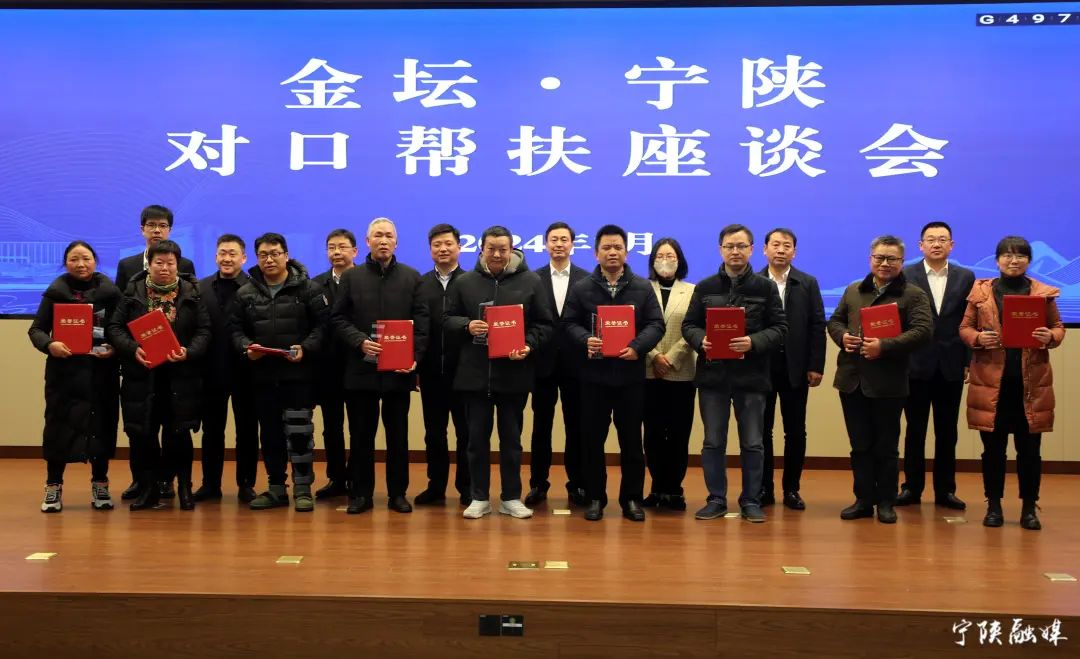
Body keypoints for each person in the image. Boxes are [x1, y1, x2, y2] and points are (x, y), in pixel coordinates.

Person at [446, 226, 553, 520]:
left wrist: (528, 345)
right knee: (476, 442)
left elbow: (544, 324)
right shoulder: (464, 282)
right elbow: (446, 319)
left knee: (512, 442)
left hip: (513, 375)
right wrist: (466, 326)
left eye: (502, 249)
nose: (496, 254)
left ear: (511, 250)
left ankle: (511, 497)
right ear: (481, 249)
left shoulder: (531, 282)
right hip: (475, 376)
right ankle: (479, 497)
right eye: (491, 248)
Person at [682, 225, 786, 524]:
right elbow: (689, 325)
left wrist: (754, 342)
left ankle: (751, 500)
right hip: (713, 377)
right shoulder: (705, 286)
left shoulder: (765, 288)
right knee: (713, 442)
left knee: (753, 443)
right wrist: (700, 340)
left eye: (741, 246)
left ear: (752, 249)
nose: (735, 251)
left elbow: (780, 328)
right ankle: (716, 499)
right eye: (729, 246)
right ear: (721, 250)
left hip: (751, 377)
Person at [959, 236, 1065, 531]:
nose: (1013, 260)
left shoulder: (1042, 293)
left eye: (1020, 255)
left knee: (1030, 451)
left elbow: (1057, 327)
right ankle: (993, 506)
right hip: (992, 384)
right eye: (1007, 255)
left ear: (1029, 260)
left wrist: (1051, 337)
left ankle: (1029, 508)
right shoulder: (981, 291)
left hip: (1031, 385)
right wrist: (978, 338)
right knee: (993, 451)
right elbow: (965, 328)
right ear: (997, 261)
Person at [827, 235, 932, 524]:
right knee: (860, 445)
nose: (885, 263)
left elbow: (923, 331)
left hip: (890, 382)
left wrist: (884, 347)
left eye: (892, 259)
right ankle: (863, 500)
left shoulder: (913, 294)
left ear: (901, 262)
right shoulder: (853, 290)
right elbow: (835, 321)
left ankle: (886, 501)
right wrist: (842, 337)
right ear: (870, 259)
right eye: (879, 258)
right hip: (852, 380)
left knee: (886, 447)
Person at [563, 224, 665, 522]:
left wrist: (637, 347)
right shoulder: (582, 287)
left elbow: (656, 324)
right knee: (592, 441)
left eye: (618, 247)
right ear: (596, 253)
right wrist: (586, 339)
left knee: (631, 442)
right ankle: (595, 497)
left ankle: (631, 499)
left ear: (626, 252)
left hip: (630, 377)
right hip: (593, 377)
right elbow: (568, 323)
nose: (612, 252)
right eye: (606, 247)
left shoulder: (642, 287)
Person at [331, 218, 428, 515]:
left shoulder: (412, 277)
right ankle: (361, 494)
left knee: (398, 437)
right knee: (361, 436)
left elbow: (422, 322)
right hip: (361, 370)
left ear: (396, 242)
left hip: (399, 372)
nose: (383, 240)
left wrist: (414, 357)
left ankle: (397, 494)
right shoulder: (351, 277)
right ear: (367, 242)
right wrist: (359, 341)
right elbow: (337, 318)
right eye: (377, 236)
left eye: (388, 236)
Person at [107, 240, 210, 511]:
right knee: (145, 436)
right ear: (149, 264)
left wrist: (189, 352)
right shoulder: (133, 291)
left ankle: (184, 487)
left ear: (178, 265)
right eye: (159, 263)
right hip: (143, 377)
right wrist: (133, 349)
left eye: (170, 263)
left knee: (179, 435)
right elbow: (115, 328)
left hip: (180, 377)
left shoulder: (192, 292)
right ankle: (149, 490)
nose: (164, 268)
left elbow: (204, 331)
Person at [230, 233, 328, 512]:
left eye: (275, 254)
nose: (269, 259)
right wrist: (246, 347)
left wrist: (306, 347)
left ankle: (303, 489)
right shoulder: (245, 293)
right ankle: (276, 488)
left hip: (298, 376)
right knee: (270, 435)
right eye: (263, 255)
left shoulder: (308, 289)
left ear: (286, 255)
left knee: (300, 432)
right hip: (263, 377)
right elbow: (235, 330)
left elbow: (323, 327)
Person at [29, 241, 123, 512]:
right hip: (64, 375)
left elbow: (120, 330)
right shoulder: (55, 293)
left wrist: (114, 348)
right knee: (58, 428)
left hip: (101, 373)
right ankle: (53, 486)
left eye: (86, 258)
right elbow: (36, 330)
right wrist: (50, 345)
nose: (81, 264)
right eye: (74, 259)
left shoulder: (111, 294)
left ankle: (100, 484)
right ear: (65, 263)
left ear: (95, 261)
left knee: (102, 426)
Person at [114, 204, 196, 501]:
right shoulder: (127, 266)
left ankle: (167, 481)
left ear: (170, 230)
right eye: (151, 225)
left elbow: (191, 311)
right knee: (141, 429)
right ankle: (141, 481)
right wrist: (131, 348)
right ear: (142, 229)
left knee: (174, 428)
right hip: (141, 363)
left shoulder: (184, 264)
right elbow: (121, 313)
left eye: (162, 225)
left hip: (175, 365)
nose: (157, 230)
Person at [898, 221, 975, 511]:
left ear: (951, 245)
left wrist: (968, 360)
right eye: (930, 239)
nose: (936, 244)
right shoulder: (906, 274)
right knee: (914, 430)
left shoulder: (965, 276)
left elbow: (970, 321)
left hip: (951, 364)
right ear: (921, 245)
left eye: (943, 239)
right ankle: (911, 487)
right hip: (915, 363)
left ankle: (945, 490)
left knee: (947, 432)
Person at [758, 228, 826, 510]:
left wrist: (815, 365)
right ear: (765, 249)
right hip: (761, 367)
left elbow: (817, 325)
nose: (781, 250)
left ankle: (792, 489)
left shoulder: (807, 283)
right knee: (762, 432)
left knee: (795, 432)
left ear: (794, 252)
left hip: (796, 368)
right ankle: (764, 488)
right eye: (775, 244)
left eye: (787, 245)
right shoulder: (754, 282)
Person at [526, 221, 589, 507]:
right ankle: (538, 484)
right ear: (545, 244)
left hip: (577, 365)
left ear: (572, 244)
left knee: (576, 427)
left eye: (564, 239)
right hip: (543, 364)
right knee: (541, 427)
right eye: (554, 239)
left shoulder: (586, 279)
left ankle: (577, 485)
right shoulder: (533, 278)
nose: (559, 244)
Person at [194, 234, 259, 504]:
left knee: (247, 431)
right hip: (211, 371)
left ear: (243, 258)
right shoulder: (201, 287)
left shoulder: (255, 287)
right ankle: (210, 484)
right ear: (215, 256)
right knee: (212, 431)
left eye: (233, 253)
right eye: (222, 253)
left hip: (247, 371)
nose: (227, 258)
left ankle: (246, 484)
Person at [414, 223, 471, 506]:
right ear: (430, 250)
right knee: (434, 433)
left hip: (465, 372)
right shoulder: (420, 284)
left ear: (459, 247)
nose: (443, 249)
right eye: (437, 245)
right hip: (430, 372)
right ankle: (436, 486)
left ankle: (467, 488)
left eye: (448, 243)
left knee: (466, 433)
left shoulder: (472, 282)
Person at [642, 238, 696, 511]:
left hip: (681, 373)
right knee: (652, 434)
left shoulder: (692, 291)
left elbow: (694, 329)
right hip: (648, 372)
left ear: (679, 260)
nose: (665, 260)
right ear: (652, 261)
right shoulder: (641, 289)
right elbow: (636, 328)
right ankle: (656, 488)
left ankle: (674, 490)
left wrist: (671, 358)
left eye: (670, 255)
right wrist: (654, 357)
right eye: (660, 255)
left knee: (678, 434)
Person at [312, 228, 358, 500]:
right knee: (331, 426)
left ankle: (357, 477)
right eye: (331, 247)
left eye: (342, 247)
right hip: (327, 367)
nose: (337, 252)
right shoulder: (316, 284)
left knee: (359, 427)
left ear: (355, 251)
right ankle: (337, 478)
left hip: (358, 365)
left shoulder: (365, 280)